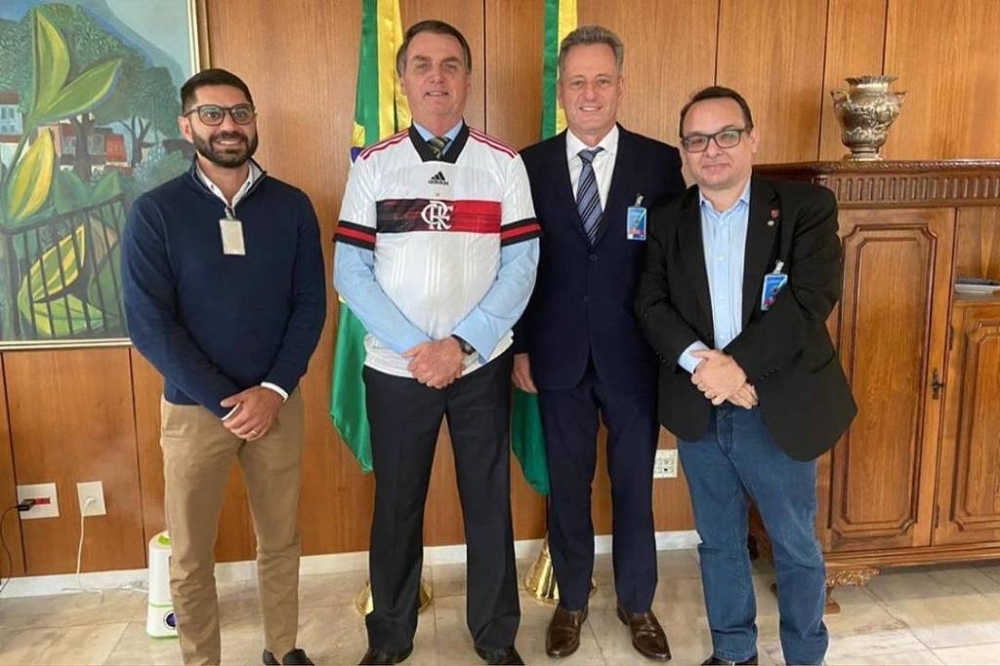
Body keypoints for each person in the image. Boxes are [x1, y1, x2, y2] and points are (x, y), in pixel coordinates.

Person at [333, 19, 540, 666]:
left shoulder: (504, 165)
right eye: (422, 65)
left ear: (468, 79)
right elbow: (350, 271)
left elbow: (522, 266)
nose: (437, 77)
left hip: (480, 366)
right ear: (402, 80)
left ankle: (496, 637)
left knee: (488, 505)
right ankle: (389, 638)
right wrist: (417, 349)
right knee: (397, 507)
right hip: (398, 370)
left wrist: (461, 346)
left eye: (450, 64)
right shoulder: (374, 165)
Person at [634, 86, 857, 666]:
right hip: (701, 404)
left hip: (776, 405)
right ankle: (734, 652)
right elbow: (651, 305)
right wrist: (705, 366)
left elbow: (810, 298)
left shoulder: (805, 208)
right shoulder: (667, 220)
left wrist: (737, 367)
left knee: (794, 545)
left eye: (726, 135)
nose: (712, 150)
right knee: (718, 542)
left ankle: (805, 655)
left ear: (753, 139)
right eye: (697, 140)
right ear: (684, 151)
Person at [122, 68, 326, 666]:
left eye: (240, 112)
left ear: (254, 121)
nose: (228, 125)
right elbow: (150, 324)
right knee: (190, 556)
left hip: (276, 407)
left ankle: (282, 650)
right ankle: (201, 660)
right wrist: (227, 400)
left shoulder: (291, 206)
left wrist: (273, 390)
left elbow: (310, 305)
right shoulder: (156, 212)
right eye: (211, 114)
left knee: (281, 541)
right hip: (194, 411)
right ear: (186, 127)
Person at [513, 25, 684, 662]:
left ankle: (637, 603)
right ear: (561, 90)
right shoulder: (526, 165)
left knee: (634, 487)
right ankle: (572, 601)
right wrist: (521, 346)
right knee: (568, 487)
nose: (590, 93)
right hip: (555, 356)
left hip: (635, 358)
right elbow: (516, 264)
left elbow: (673, 263)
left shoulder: (659, 163)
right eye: (578, 81)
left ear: (620, 86)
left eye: (602, 80)